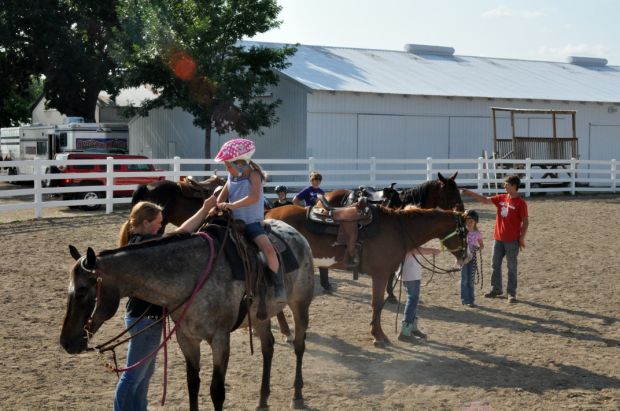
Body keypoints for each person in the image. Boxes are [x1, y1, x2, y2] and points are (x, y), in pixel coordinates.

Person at [114, 198, 215, 411]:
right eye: (158, 222)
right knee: (133, 375)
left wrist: (205, 209)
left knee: (143, 374)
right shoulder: (144, 246)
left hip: (144, 317)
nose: (161, 226)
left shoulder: (139, 242)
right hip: (145, 319)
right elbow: (179, 233)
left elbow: (178, 232)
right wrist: (205, 209)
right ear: (145, 222)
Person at [213, 138, 285, 302]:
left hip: (251, 222)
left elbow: (253, 198)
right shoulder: (231, 177)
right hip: (233, 222)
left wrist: (231, 206)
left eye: (228, 165)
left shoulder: (254, 175)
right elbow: (221, 196)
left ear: (241, 163)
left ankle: (277, 283)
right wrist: (216, 206)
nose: (227, 168)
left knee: (268, 250)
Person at [460, 175, 529, 303]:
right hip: (498, 238)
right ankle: (496, 289)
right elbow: (485, 200)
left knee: (512, 267)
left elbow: (525, 222)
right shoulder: (501, 198)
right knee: (494, 264)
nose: (504, 186)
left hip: (512, 241)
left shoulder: (521, 203)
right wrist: (470, 192)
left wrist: (521, 238)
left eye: (506, 184)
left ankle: (511, 293)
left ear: (514, 186)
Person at [398, 240, 440, 342]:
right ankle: (406, 331)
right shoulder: (407, 234)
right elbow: (413, 250)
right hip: (410, 271)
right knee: (412, 299)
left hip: (412, 270)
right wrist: (432, 250)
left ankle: (412, 327)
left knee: (414, 299)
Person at [461, 209, 484, 307]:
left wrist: (478, 248)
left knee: (471, 279)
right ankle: (465, 299)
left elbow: (482, 245)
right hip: (463, 258)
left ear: (475, 222)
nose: (469, 223)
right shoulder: (462, 232)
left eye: (471, 221)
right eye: (467, 221)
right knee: (464, 279)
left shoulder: (477, 233)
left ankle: (471, 300)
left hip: (472, 258)